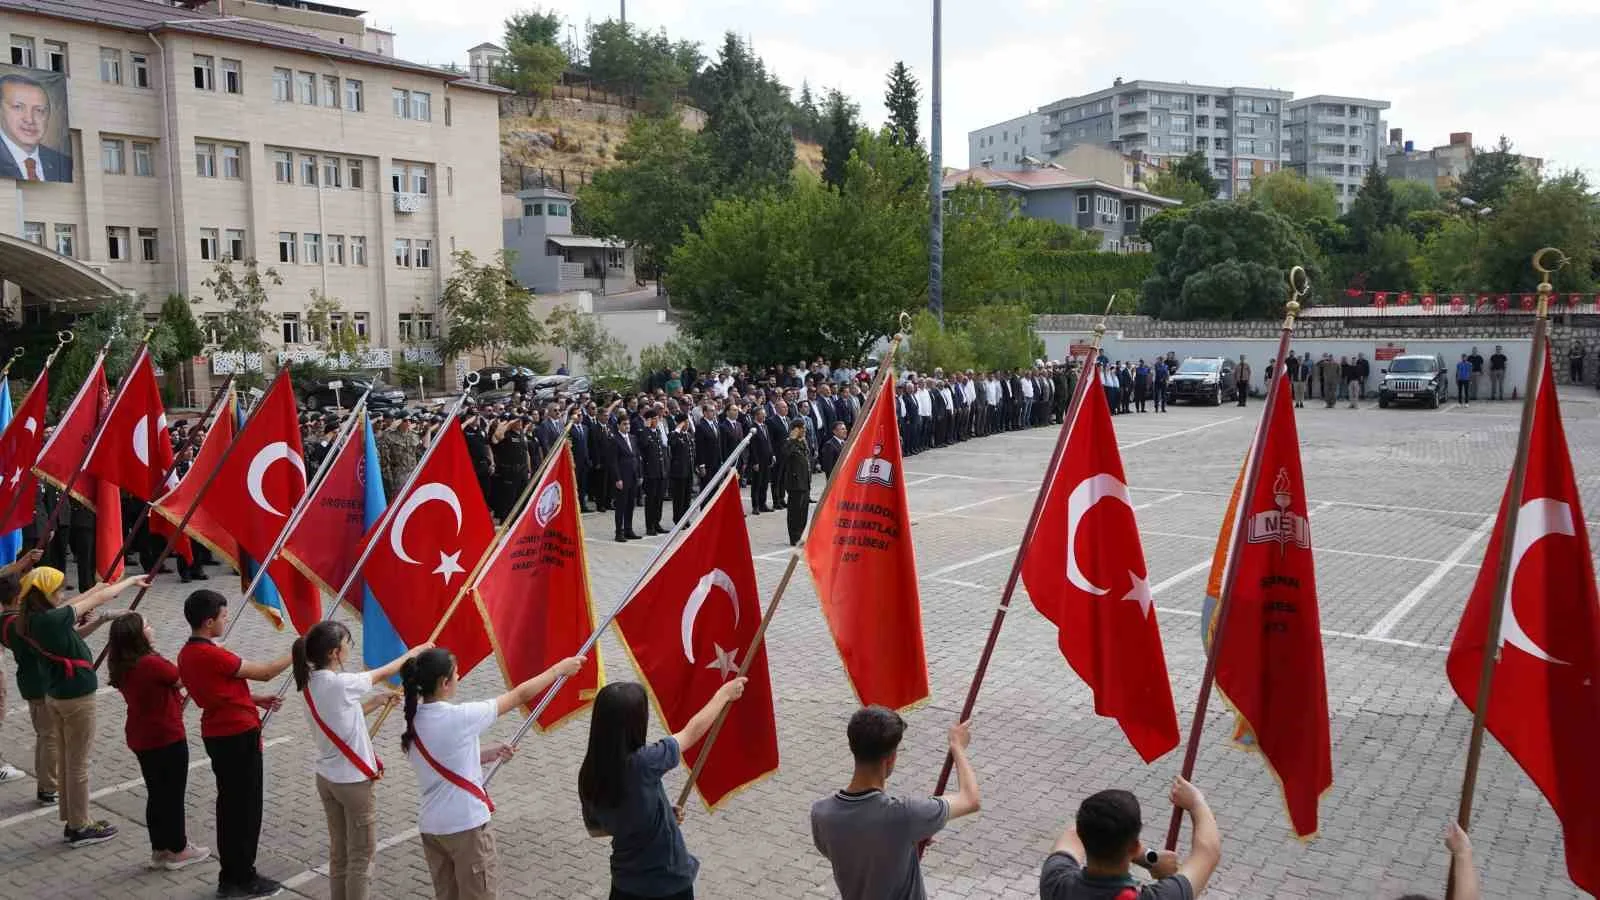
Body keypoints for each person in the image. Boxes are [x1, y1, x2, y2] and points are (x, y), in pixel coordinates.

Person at [400, 647, 585, 900]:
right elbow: (518, 695)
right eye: (456, 674)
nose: (459, 676)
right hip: (465, 826)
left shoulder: (412, 720)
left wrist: (490, 752)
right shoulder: (460, 717)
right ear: (444, 683)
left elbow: (446, 757)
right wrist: (558, 670)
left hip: (432, 827)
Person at [295, 622, 433, 900]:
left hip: (327, 778)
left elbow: (343, 717)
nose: (350, 648)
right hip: (352, 783)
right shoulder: (341, 682)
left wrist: (377, 702)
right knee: (361, 857)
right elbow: (384, 671)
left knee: (340, 853)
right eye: (348, 643)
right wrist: (414, 652)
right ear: (335, 652)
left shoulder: (310, 682)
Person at [579, 678, 748, 900]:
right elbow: (690, 732)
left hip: (625, 883)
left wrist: (660, 814)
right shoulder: (645, 762)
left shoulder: (590, 771)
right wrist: (723, 695)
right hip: (668, 883)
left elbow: (597, 830)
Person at [14, 566, 144, 846]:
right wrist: (131, 580)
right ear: (45, 593)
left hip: (56, 694)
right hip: (76, 696)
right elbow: (95, 599)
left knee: (67, 758)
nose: (62, 594)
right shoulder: (50, 619)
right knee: (78, 764)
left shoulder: (30, 619)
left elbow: (73, 630)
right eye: (58, 590)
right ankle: (80, 826)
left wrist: (101, 618)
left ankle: (71, 818)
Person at [177, 589, 292, 898]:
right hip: (237, 735)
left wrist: (255, 699)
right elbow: (266, 673)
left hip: (218, 732)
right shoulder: (212, 654)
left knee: (230, 806)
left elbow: (218, 690)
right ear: (208, 621)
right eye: (223, 617)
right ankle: (241, 877)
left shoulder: (186, 653)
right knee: (246, 809)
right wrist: (297, 652)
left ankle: (232, 873)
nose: (226, 621)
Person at [811, 708, 982, 900]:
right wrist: (957, 746)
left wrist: (898, 844)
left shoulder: (821, 813)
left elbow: (855, 854)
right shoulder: (906, 815)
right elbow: (970, 799)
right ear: (891, 758)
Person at [106, 612, 211, 870]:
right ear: (139, 636)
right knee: (173, 794)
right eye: (147, 625)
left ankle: (160, 848)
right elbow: (182, 678)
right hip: (165, 735)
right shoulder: (150, 663)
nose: (152, 628)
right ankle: (178, 848)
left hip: (142, 735)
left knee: (157, 793)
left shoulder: (123, 663)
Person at [1039, 776, 1220, 900]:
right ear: (1133, 847)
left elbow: (1073, 834)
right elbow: (1207, 853)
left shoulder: (1055, 884)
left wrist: (1148, 857)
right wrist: (1196, 802)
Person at [0, 553, 56, 805]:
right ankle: (48, 787)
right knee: (49, 737)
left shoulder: (12, 620)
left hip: (31, 685)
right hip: (39, 686)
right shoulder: (17, 624)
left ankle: (47, 785)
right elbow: (64, 617)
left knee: (45, 735)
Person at [0, 73, 74, 182]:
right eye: (18, 107)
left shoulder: (64, 164)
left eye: (39, 110)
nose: (30, 120)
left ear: (48, 116)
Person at [608, 416, 642, 542]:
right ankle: (619, 532)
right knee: (621, 505)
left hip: (633, 476)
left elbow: (637, 457)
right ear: (618, 426)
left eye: (628, 424)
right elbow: (613, 462)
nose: (627, 426)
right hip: (622, 477)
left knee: (630, 504)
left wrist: (639, 474)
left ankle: (629, 529)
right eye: (624, 424)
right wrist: (618, 479)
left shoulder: (633, 438)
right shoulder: (615, 440)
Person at [638, 408, 668, 535]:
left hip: (660, 471)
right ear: (649, 420)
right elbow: (643, 446)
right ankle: (649, 526)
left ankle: (657, 523)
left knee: (659, 499)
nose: (657, 421)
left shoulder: (657, 432)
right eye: (654, 419)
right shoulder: (644, 432)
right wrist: (646, 428)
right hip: (650, 472)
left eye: (657, 418)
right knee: (651, 500)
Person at [782, 420, 812, 546]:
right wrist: (792, 439)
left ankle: (801, 534)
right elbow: (785, 454)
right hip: (795, 483)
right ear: (795, 429)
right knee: (794, 511)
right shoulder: (789, 442)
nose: (804, 430)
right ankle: (794, 537)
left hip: (805, 481)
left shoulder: (803, 442)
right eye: (802, 428)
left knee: (803, 510)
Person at [666, 413, 695, 525]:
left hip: (688, 470)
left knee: (687, 497)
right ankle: (678, 519)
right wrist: (677, 428)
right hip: (678, 472)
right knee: (679, 498)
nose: (688, 424)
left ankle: (685, 519)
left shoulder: (688, 435)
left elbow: (692, 452)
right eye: (686, 422)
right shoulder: (674, 434)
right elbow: (671, 442)